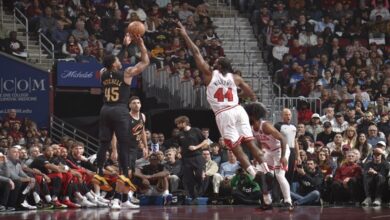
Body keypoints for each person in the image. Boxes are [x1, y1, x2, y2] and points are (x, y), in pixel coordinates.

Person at [176, 21, 264, 179]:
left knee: (236, 148)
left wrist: (185, 35)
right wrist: (245, 98)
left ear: (220, 66)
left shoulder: (210, 74)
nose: (213, 62)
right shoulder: (236, 78)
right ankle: (266, 169)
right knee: (250, 143)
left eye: (215, 62)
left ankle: (254, 173)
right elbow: (251, 94)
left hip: (224, 113)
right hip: (238, 109)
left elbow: (196, 52)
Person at [95, 33, 149, 210]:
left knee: (103, 143)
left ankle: (101, 173)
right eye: (118, 61)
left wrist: (125, 47)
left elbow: (112, 62)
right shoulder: (126, 74)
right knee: (124, 151)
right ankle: (120, 192)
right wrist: (140, 45)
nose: (121, 61)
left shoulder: (103, 73)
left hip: (105, 109)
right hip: (118, 110)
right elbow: (145, 63)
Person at [245, 102, 294, 210]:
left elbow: (282, 139)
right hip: (269, 152)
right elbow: (259, 142)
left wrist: (283, 157)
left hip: (280, 150)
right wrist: (257, 157)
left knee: (280, 175)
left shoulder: (265, 125)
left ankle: (288, 202)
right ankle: (267, 202)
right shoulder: (253, 128)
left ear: (253, 116)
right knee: (259, 173)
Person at [174, 116, 208, 204]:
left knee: (199, 176)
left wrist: (196, 147)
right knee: (189, 179)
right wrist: (178, 152)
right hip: (186, 159)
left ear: (184, 122)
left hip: (197, 156)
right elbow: (180, 146)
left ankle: (199, 192)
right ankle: (193, 197)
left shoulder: (195, 130)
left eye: (179, 123)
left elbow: (205, 141)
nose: (177, 125)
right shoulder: (180, 134)